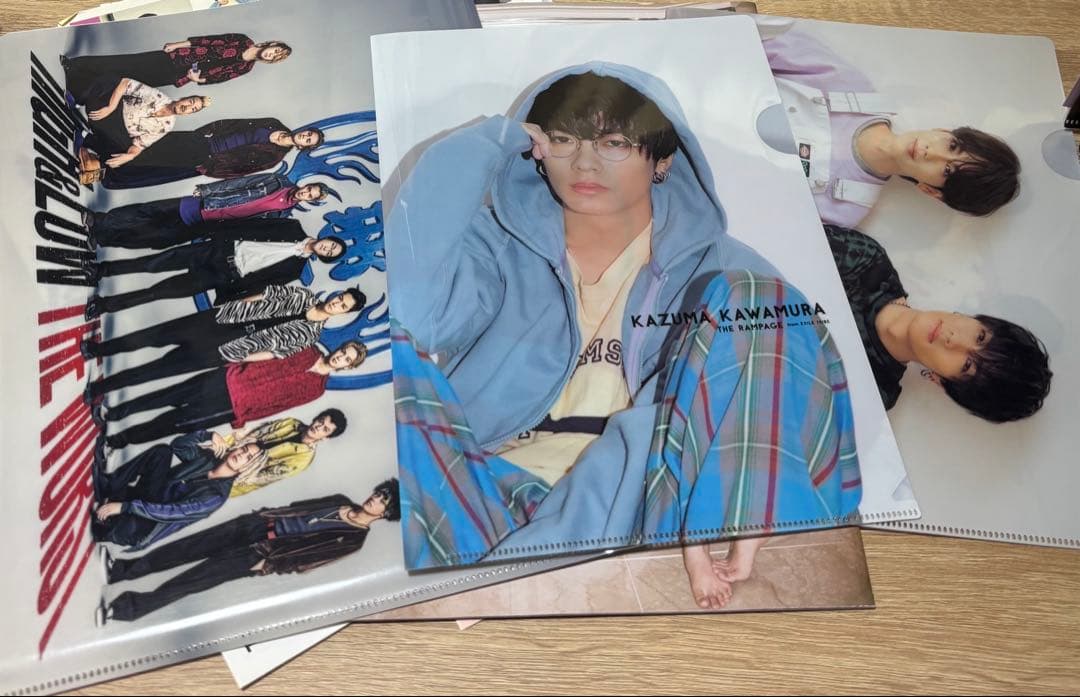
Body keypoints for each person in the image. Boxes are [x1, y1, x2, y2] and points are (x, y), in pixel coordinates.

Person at [387, 64, 861, 608]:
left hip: (634, 501)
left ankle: (514, 577)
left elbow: (790, 397)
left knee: (761, 305)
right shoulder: (496, 247)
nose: (584, 163)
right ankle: (501, 579)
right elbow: (407, 315)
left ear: (662, 160)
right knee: (390, 360)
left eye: (614, 143)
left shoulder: (725, 273)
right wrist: (486, 143)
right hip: (479, 487)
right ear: (537, 150)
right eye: (563, 139)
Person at [760, 23, 1020, 227]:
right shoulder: (851, 88)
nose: (932, 153)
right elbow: (758, 40)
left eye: (947, 171)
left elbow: (765, 219)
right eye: (952, 146)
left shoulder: (847, 208)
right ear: (944, 131)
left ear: (930, 191)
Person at [824, 224, 1051, 422]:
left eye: (967, 365)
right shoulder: (867, 264)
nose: (954, 340)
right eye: (980, 337)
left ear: (941, 382)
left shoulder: (874, 392)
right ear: (974, 318)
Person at [95, 482, 399, 625]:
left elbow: (308, 561)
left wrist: (267, 564)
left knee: (193, 581)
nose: (375, 498)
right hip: (254, 525)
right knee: (183, 549)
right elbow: (297, 507)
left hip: (260, 553)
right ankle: (121, 570)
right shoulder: (341, 498)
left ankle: (124, 610)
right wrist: (262, 515)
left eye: (383, 501)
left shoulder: (353, 540)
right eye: (378, 492)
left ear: (386, 514)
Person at [82, 285, 364, 399]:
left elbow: (275, 353)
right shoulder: (303, 295)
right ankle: (98, 349)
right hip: (220, 321)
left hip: (232, 348)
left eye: (343, 306)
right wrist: (232, 308)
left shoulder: (311, 336)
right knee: (155, 335)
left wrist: (240, 357)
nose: (337, 303)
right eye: (340, 297)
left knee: (161, 370)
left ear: (344, 313)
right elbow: (265, 294)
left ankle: (102, 388)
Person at [99, 341, 366, 448]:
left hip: (234, 405)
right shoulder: (309, 349)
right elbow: (271, 353)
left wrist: (242, 419)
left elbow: (278, 406)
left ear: (348, 367)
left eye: (347, 359)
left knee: (175, 422)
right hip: (229, 378)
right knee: (168, 395)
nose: (340, 356)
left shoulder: (317, 390)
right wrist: (239, 361)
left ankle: (118, 440)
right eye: (343, 351)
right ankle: (114, 413)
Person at [82, 219, 347, 318]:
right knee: (154, 263)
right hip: (219, 250)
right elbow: (252, 224)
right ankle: (102, 270)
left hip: (224, 276)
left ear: (324, 258)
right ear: (328, 238)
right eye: (332, 245)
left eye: (330, 254)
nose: (327, 248)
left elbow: (262, 286)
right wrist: (217, 234)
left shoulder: (295, 270)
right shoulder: (292, 226)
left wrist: (229, 297)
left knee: (160, 292)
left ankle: (105, 305)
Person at [90, 429, 266, 549]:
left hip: (150, 522)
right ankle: (108, 486)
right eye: (244, 449)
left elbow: (171, 512)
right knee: (162, 452)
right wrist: (208, 435)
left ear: (248, 468)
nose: (241, 454)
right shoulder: (209, 458)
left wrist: (125, 507)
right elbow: (177, 445)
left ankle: (112, 525)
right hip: (147, 498)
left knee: (110, 528)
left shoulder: (217, 496)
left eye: (248, 458)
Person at [84, 174, 331, 249]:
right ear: (307, 185)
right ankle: (102, 220)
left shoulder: (282, 216)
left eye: (311, 196)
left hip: (207, 226)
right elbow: (240, 183)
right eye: (310, 188)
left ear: (311, 201)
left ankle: (104, 238)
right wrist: (207, 189)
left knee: (154, 238)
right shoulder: (278, 181)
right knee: (148, 212)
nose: (306, 193)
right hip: (206, 204)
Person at [86, 117, 324, 190]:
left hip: (205, 158)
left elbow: (241, 170)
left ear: (303, 147)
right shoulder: (274, 123)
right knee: (150, 142)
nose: (304, 137)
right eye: (307, 134)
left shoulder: (274, 157)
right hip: (202, 140)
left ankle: (101, 169)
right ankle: (95, 144)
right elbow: (235, 123)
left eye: (308, 141)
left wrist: (208, 168)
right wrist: (206, 131)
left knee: (152, 163)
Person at [71, 75, 209, 185]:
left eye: (193, 109)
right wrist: (111, 107)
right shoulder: (158, 96)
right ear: (183, 98)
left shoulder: (168, 125)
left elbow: (140, 144)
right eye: (190, 102)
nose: (188, 107)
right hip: (111, 112)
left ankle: (87, 143)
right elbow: (125, 82)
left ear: (189, 114)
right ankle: (78, 101)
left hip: (116, 131)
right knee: (110, 80)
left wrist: (130, 156)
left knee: (127, 157)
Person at [62, 35, 291, 94]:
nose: (273, 54)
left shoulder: (246, 68)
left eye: (276, 57)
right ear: (271, 44)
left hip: (181, 75)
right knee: (127, 62)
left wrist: (198, 80)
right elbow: (208, 40)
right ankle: (76, 65)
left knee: (131, 81)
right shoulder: (243, 40)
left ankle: (80, 85)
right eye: (276, 50)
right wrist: (178, 44)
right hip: (178, 57)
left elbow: (219, 78)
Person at [215, 409, 348, 497]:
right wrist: (225, 446)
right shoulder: (291, 423)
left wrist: (227, 477)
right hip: (228, 453)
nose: (318, 427)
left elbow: (262, 477)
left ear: (325, 438)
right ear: (315, 418)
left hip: (233, 481)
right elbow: (254, 433)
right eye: (320, 421)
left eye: (325, 429)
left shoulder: (303, 459)